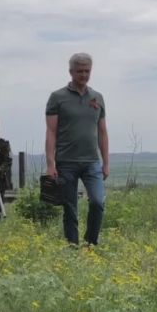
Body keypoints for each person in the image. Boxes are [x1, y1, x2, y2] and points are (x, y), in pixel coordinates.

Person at [45, 53, 109, 246]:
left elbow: (102, 132)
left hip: (92, 162)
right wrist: (50, 164)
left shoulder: (97, 97)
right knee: (70, 208)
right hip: (66, 161)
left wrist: (106, 163)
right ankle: (72, 246)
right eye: (79, 71)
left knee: (97, 202)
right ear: (71, 72)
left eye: (87, 71)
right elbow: (51, 132)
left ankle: (90, 243)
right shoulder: (57, 97)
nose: (83, 75)